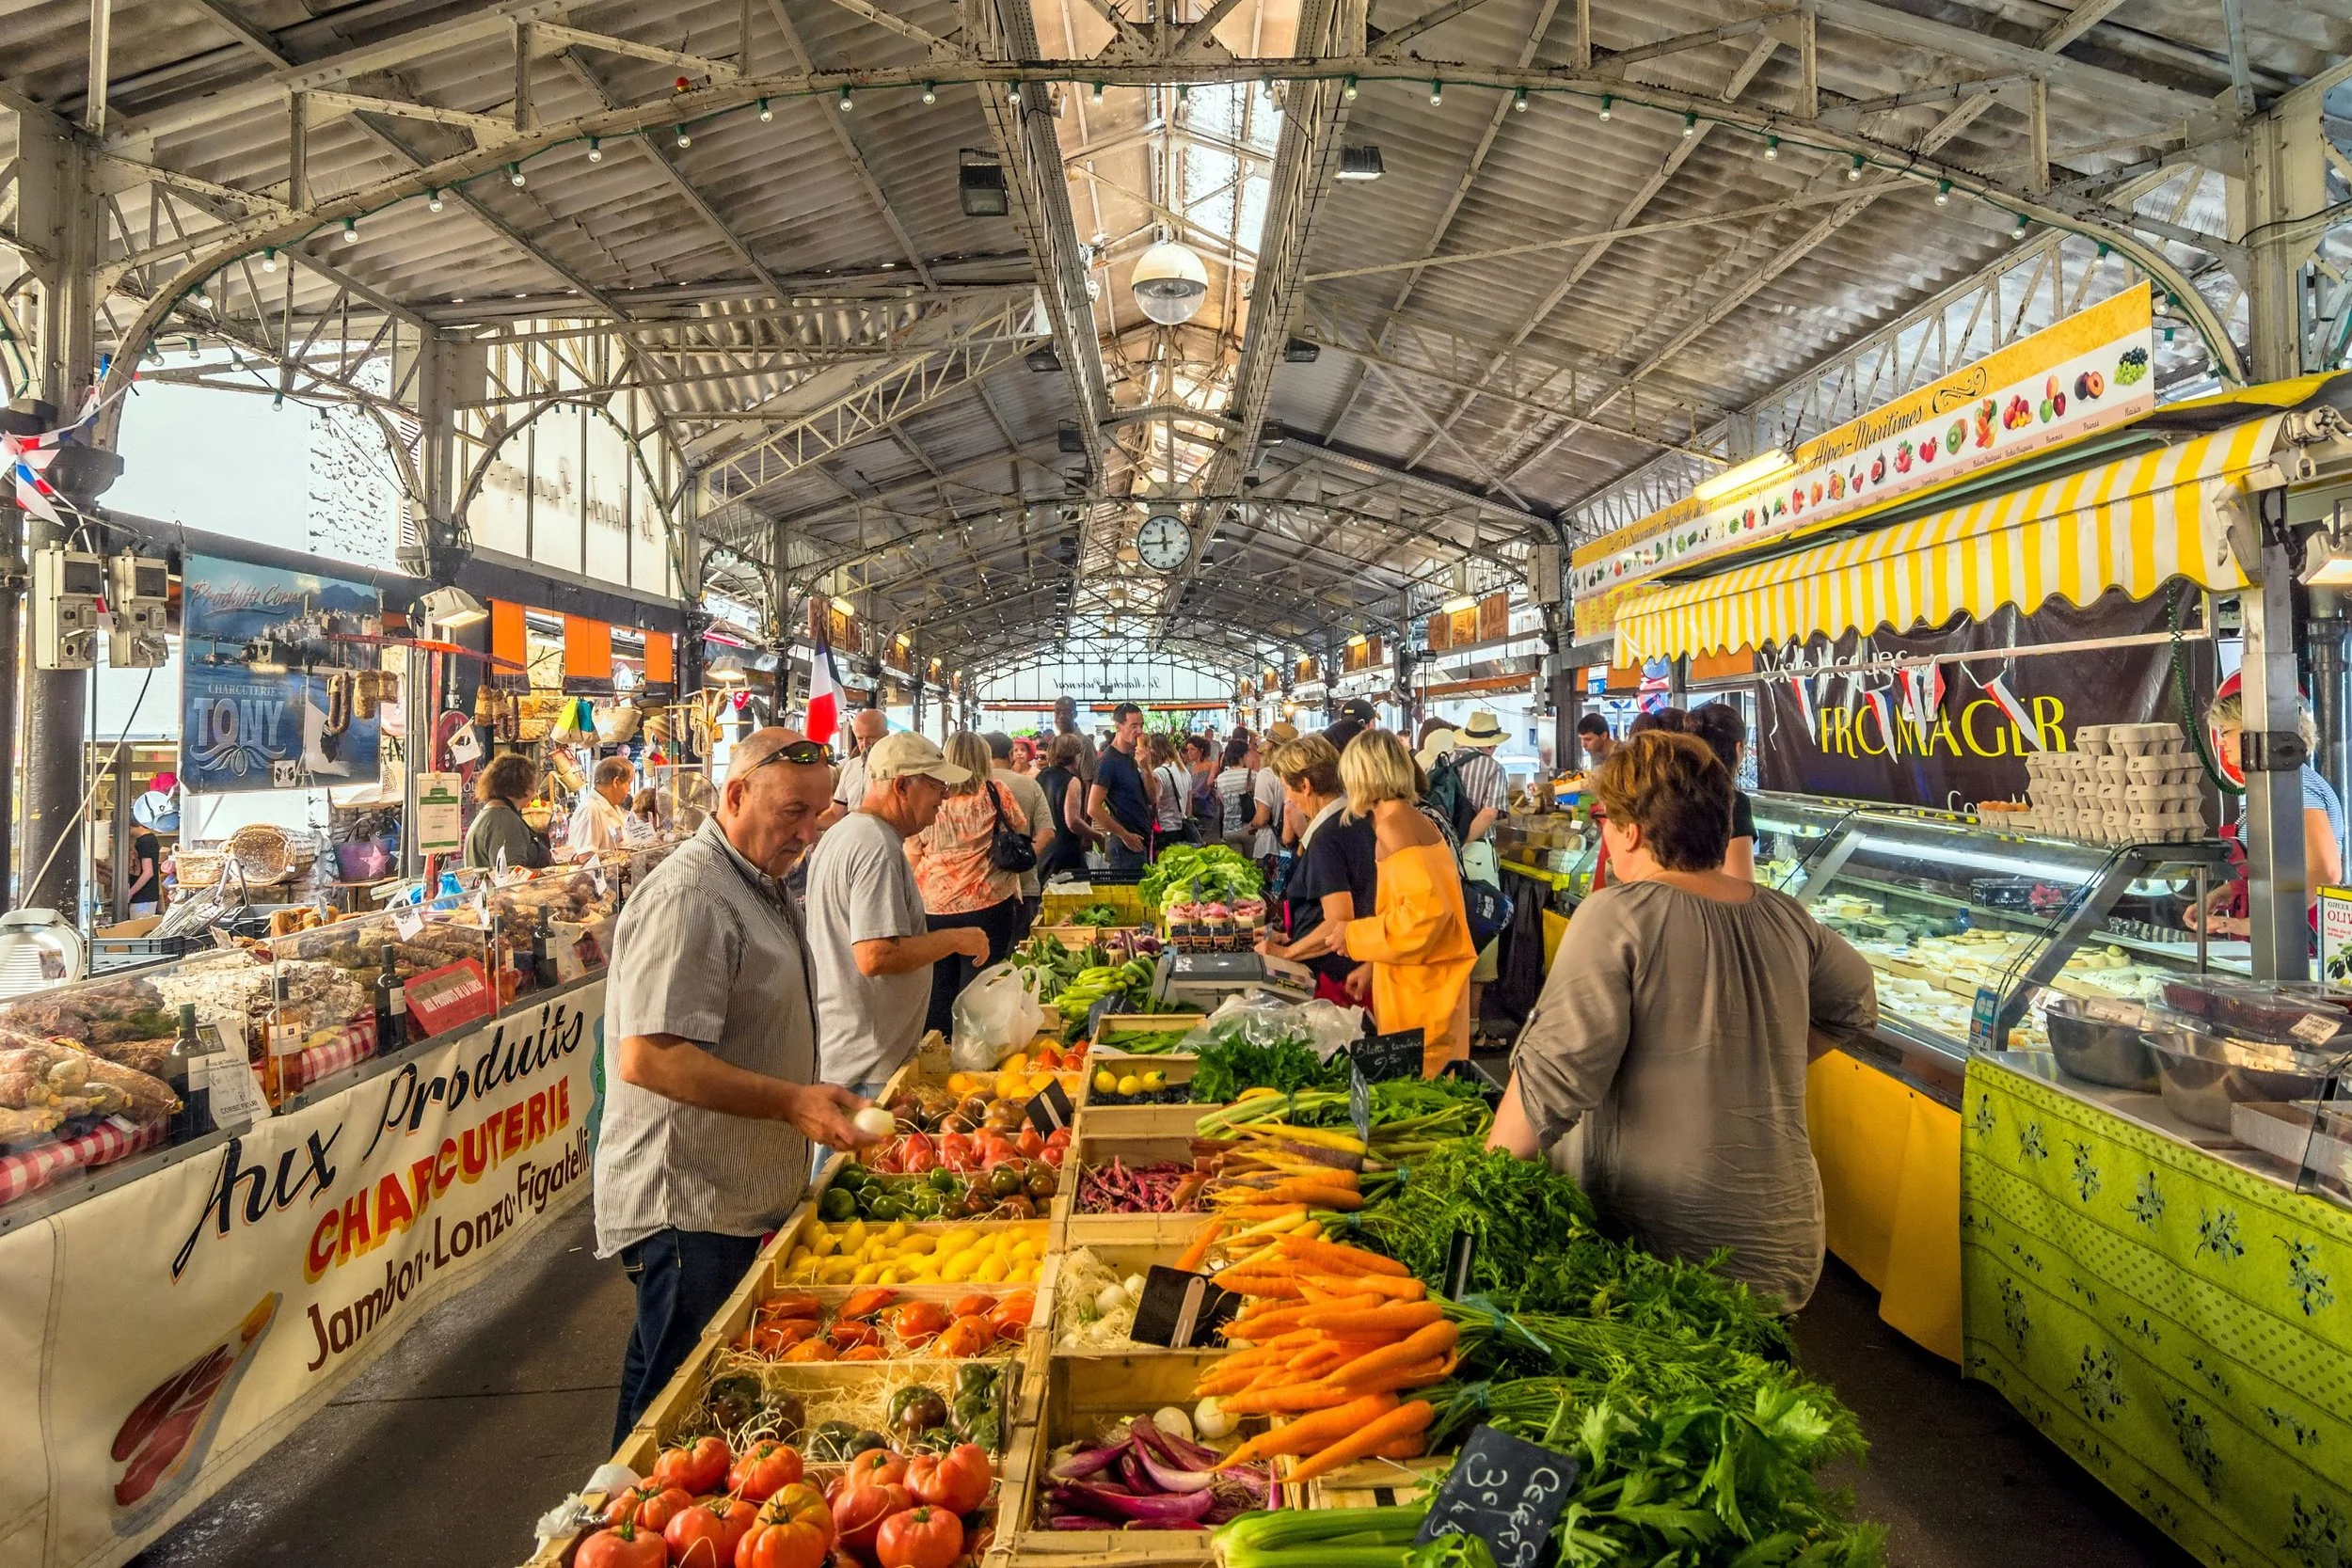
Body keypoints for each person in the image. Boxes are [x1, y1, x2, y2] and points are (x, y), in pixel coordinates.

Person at [1486, 731, 1876, 1309]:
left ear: (1631, 830)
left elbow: (1552, 1079)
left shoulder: (1617, 914)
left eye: (1606, 820)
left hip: (1665, 1243)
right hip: (1782, 1235)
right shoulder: (1784, 915)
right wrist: (1750, 1060)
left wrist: (1482, 1184)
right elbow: (1856, 1005)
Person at [597, 727, 878, 1445]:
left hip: (726, 1193)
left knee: (658, 1393)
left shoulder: (759, 880)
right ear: (735, 794)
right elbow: (651, 1057)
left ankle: (599, 1530)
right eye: (792, 812)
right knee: (678, 1414)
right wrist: (790, 1100)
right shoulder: (693, 894)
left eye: (819, 814)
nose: (808, 833)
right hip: (690, 1204)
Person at [804, 730, 992, 1139]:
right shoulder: (876, 848)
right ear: (902, 786)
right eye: (936, 786)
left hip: (853, 1046)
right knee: (856, 1164)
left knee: (848, 1163)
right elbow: (875, 956)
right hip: (868, 1059)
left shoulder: (847, 835)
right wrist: (955, 939)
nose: (943, 799)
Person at [1325, 731, 1477, 1074]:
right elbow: (1413, 907)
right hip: (1421, 982)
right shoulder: (1408, 818)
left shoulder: (1395, 826)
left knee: (1428, 1095)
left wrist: (1354, 936)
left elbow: (1425, 917)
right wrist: (1374, 965)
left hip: (1424, 994)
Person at [2190, 682, 2344, 937]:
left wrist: (2256, 925)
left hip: (2297, 937)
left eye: (2226, 731)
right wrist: (2219, 895)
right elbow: (2271, 870)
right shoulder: (2272, 785)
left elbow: (2325, 873)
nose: (2220, 743)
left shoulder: (2298, 785)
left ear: (2253, 732)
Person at [909, 732, 1029, 1035]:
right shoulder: (995, 792)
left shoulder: (932, 798)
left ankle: (937, 1051)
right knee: (980, 984)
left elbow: (912, 850)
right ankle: (974, 1052)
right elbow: (1020, 826)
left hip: (934, 904)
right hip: (988, 901)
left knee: (938, 984)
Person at [1254, 735, 1377, 1006]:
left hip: (1335, 978)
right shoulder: (1355, 820)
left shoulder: (1327, 837)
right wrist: (1292, 936)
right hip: (1359, 966)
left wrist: (1287, 953)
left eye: (1288, 788)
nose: (1288, 798)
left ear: (1306, 785)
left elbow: (1338, 921)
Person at [987, 731, 1057, 939]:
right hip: (1024, 886)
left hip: (984, 889)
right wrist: (1023, 857)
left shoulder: (974, 786)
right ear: (1010, 754)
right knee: (1020, 954)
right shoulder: (1030, 785)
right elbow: (1047, 832)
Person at [1688, 701, 1756, 880]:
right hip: (1706, 905)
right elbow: (1740, 883)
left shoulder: (1671, 792)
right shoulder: (1732, 802)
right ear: (1738, 747)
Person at [1088, 703, 1152, 870]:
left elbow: (1152, 798)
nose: (1139, 731)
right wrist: (1124, 835)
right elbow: (1093, 808)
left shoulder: (1134, 756)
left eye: (1141, 725)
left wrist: (1146, 768)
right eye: (1133, 726)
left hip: (1141, 841)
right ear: (1118, 726)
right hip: (1124, 848)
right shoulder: (1108, 761)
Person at [1214, 733, 1283, 879]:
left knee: (1236, 873)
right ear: (1244, 756)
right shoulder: (1255, 775)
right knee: (1252, 871)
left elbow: (1222, 801)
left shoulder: (1220, 778)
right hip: (1250, 829)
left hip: (1228, 830)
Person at [465, 754, 550, 870]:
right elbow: (513, 876)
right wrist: (554, 872)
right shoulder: (505, 821)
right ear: (524, 787)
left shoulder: (490, 814)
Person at [820, 708, 891, 829]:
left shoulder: (900, 769)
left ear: (886, 735)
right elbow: (835, 814)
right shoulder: (851, 766)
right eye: (860, 738)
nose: (865, 744)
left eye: (872, 737)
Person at [1036, 733, 1094, 879]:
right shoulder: (1072, 781)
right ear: (1075, 755)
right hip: (1065, 852)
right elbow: (1073, 821)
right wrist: (1096, 835)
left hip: (1043, 849)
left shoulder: (1040, 776)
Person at [565, 756, 635, 859]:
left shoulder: (613, 806)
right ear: (616, 782)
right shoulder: (590, 810)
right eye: (629, 783)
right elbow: (585, 858)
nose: (629, 789)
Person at [1143, 732, 1194, 856]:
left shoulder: (1160, 772)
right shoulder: (1184, 771)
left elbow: (1155, 802)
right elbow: (1189, 808)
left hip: (1164, 831)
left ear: (1154, 751)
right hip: (1181, 829)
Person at [1053, 695, 1100, 787]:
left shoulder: (1084, 743)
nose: (1061, 716)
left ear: (1075, 714)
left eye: (1066, 712)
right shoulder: (1053, 742)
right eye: (1058, 712)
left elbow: (1088, 783)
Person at [124, 820, 163, 917]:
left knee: (139, 929)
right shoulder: (146, 839)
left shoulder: (145, 842)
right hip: (144, 896)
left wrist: (130, 892)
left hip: (143, 897)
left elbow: (148, 872)